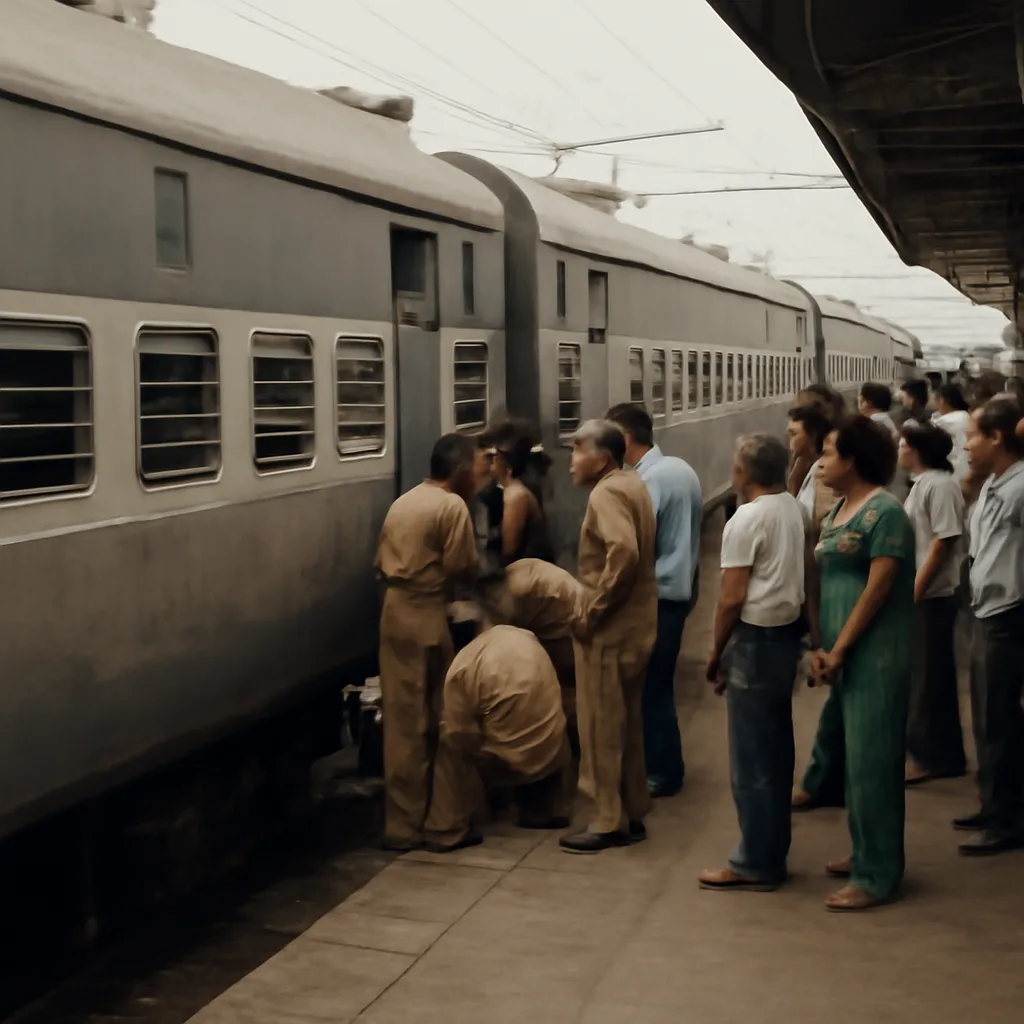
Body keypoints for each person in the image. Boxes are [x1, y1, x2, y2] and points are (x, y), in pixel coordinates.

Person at [806, 416, 915, 911]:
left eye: (829, 452)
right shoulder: (837, 512)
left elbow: (877, 590)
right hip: (841, 654)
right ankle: (864, 850)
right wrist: (820, 646)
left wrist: (843, 647)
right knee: (854, 760)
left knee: (874, 761)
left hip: (876, 653)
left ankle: (878, 874)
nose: (820, 461)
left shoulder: (886, 513)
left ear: (853, 459)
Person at [698, 435, 812, 892]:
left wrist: (715, 652)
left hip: (755, 640)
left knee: (751, 758)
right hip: (785, 638)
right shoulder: (793, 509)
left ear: (745, 472)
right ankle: (771, 851)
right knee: (776, 751)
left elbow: (731, 599)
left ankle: (755, 861)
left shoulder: (745, 519)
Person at [374, 433, 480, 851]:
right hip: (427, 613)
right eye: (476, 468)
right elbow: (462, 566)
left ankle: (402, 826)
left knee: (402, 723)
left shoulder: (405, 500)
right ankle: (444, 822)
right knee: (444, 717)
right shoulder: (452, 506)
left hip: (394, 612)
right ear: (459, 471)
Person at [560, 419, 658, 854]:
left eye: (578, 449)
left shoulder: (604, 493)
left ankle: (606, 819)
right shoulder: (633, 483)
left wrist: (593, 612)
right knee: (627, 723)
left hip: (610, 630)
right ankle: (631, 809)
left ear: (602, 458)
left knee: (600, 726)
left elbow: (624, 552)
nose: (571, 461)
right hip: (636, 625)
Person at [606, 403, 702, 799]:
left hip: (658, 595)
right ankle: (663, 765)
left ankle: (662, 772)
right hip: (681, 590)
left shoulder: (649, 482)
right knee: (659, 685)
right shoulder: (681, 470)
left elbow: (640, 544)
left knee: (652, 689)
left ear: (625, 439)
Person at [422, 624, 571, 852]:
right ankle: (546, 809)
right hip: (550, 754)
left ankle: (447, 831)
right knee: (546, 718)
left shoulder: (463, 663)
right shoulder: (527, 636)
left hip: (507, 760)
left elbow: (458, 731)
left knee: (451, 745)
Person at [955, 397, 1024, 855]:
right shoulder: (994, 484)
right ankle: (992, 802)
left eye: (972, 437)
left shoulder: (1019, 489)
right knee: (984, 716)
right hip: (986, 612)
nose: (965, 446)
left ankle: (1006, 819)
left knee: (998, 721)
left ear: (997, 438)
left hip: (1007, 614)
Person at [898, 422, 967, 785]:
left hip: (933, 596)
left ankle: (929, 756)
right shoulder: (925, 483)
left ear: (917, 450)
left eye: (903, 445)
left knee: (928, 679)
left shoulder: (939, 486)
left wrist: (915, 591)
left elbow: (944, 541)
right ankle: (942, 754)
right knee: (928, 676)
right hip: (927, 593)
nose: (899, 451)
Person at [476, 558, 583, 755]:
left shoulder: (516, 591)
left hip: (570, 634)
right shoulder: (516, 574)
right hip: (568, 625)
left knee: (567, 697)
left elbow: (500, 636)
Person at [481, 418, 555, 565]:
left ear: (502, 460)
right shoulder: (509, 490)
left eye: (490, 457)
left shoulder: (515, 495)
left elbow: (509, 552)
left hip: (531, 576)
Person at [787, 402, 837, 532]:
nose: (790, 440)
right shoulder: (806, 465)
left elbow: (815, 520)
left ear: (813, 436)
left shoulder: (822, 471)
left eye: (794, 434)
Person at [932, 383, 971, 482]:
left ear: (942, 400)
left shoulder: (946, 421)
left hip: (953, 473)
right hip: (967, 470)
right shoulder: (966, 416)